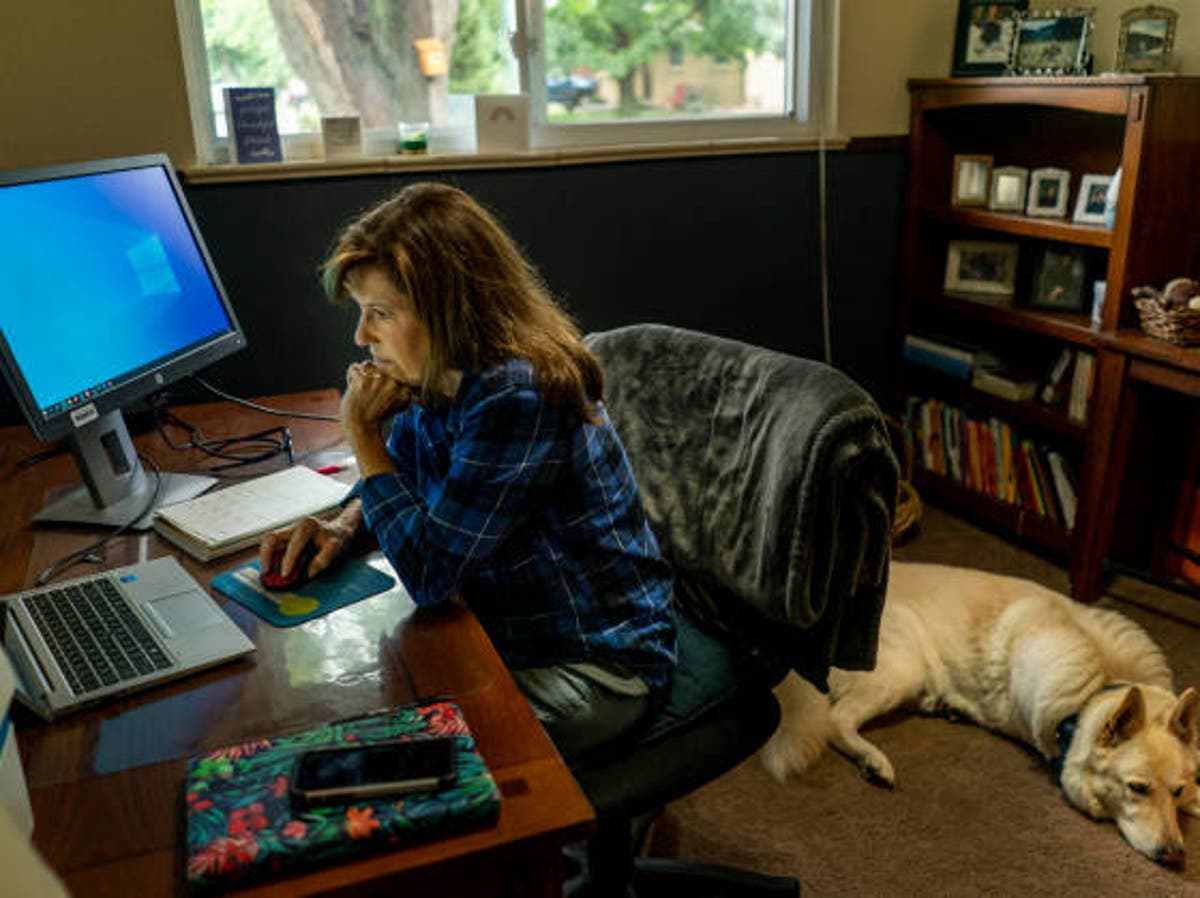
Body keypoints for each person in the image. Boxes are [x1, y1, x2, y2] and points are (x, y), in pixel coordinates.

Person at [260, 182, 676, 759]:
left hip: (595, 666)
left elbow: (431, 575)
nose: (361, 336)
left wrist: (362, 434)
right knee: (348, 710)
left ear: (446, 312)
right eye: (362, 312)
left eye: (380, 313)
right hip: (506, 633)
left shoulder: (517, 395)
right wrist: (344, 524)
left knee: (378, 754)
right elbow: (402, 478)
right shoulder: (438, 374)